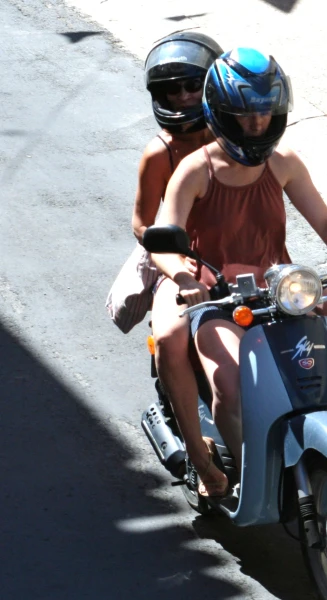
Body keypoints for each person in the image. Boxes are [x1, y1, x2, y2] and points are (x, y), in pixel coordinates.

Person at [150, 47, 327, 497]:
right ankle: (206, 460)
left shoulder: (283, 162)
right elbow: (165, 238)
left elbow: (325, 220)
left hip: (274, 287)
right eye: (245, 116)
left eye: (264, 114)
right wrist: (183, 278)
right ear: (219, 113)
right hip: (212, 290)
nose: (256, 125)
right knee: (221, 381)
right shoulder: (195, 171)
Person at [132, 30, 227, 494]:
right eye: (173, 90)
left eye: (192, 86)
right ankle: (198, 453)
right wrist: (178, 266)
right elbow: (142, 224)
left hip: (239, 264)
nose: (184, 97)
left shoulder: (236, 135)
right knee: (170, 339)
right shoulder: (161, 152)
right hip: (184, 268)